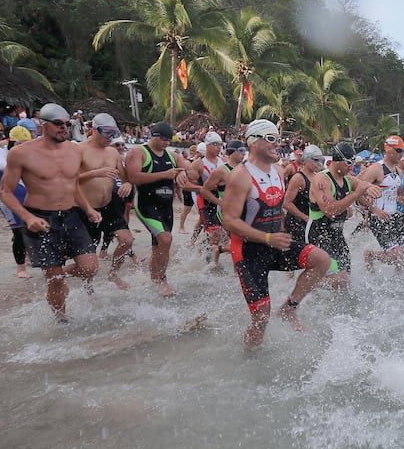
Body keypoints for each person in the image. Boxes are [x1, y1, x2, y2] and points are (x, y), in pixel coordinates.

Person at [220, 119, 335, 344]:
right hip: (248, 252)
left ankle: (289, 309)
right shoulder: (240, 176)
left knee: (321, 260)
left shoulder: (279, 171)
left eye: (279, 139)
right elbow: (230, 221)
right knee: (261, 317)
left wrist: (279, 234)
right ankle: (249, 362)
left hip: (275, 244)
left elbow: (275, 210)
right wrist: (267, 237)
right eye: (271, 139)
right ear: (253, 142)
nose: (278, 144)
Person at [0, 103, 102, 321]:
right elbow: (5, 193)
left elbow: (72, 185)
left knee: (90, 267)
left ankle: (58, 273)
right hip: (40, 217)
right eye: (58, 124)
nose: (64, 127)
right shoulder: (21, 153)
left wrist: (88, 208)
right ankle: (60, 319)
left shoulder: (75, 150)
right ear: (43, 125)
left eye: (67, 123)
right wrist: (27, 217)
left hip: (71, 215)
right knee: (54, 282)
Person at [124, 122, 189, 297]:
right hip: (146, 205)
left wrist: (183, 172)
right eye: (163, 139)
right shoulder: (138, 152)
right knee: (166, 239)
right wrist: (165, 174)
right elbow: (133, 176)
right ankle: (162, 281)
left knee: (159, 246)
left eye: (169, 139)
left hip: (166, 207)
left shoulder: (171, 154)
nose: (167, 142)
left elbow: (188, 167)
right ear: (153, 135)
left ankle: (154, 279)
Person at [308, 142, 381, 287]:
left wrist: (370, 188)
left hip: (337, 237)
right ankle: (307, 285)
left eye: (353, 163)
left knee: (345, 280)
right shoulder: (321, 180)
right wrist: (356, 195)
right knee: (340, 280)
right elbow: (329, 211)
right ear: (336, 161)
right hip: (319, 235)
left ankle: (321, 303)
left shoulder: (347, 180)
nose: (351, 167)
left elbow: (362, 185)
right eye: (348, 163)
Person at [75, 113, 135, 290]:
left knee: (127, 240)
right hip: (86, 208)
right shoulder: (79, 150)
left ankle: (113, 274)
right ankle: (88, 286)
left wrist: (128, 185)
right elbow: (69, 179)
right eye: (107, 133)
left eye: (114, 133)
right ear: (93, 130)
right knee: (89, 257)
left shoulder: (112, 152)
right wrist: (95, 173)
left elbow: (126, 178)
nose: (111, 138)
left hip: (109, 205)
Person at [360, 135, 404, 271]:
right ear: (388, 149)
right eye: (399, 150)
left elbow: (396, 193)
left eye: (403, 150)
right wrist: (373, 210)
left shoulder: (397, 171)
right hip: (378, 218)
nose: (402, 154)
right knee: (398, 256)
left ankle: (398, 284)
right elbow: (357, 192)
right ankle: (371, 255)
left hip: (394, 217)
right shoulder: (376, 169)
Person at [0, 125, 32, 278]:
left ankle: (28, 255)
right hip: (10, 198)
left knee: (33, 229)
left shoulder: (30, 155)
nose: (23, 147)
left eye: (26, 144)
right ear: (11, 142)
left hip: (27, 196)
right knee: (19, 233)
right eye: (19, 144)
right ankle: (20, 268)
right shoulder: (0, 152)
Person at [186, 132, 226, 264]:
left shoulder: (223, 161)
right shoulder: (198, 164)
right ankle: (210, 263)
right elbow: (186, 185)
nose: (218, 147)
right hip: (204, 200)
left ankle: (202, 247)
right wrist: (203, 188)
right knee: (214, 232)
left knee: (220, 233)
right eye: (215, 144)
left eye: (220, 144)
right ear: (207, 146)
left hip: (218, 200)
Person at [283, 144, 323, 243]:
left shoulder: (317, 177)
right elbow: (286, 203)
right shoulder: (298, 178)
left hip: (310, 223)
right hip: (297, 223)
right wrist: (304, 217)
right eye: (315, 160)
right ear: (306, 159)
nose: (319, 163)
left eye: (321, 161)